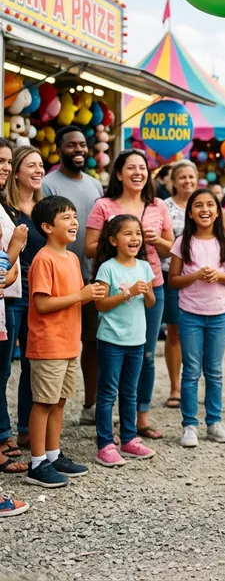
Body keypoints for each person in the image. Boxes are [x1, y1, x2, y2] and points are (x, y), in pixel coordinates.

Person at [85, 150, 174, 440]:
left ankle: (140, 418)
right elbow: (89, 248)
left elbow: (171, 248)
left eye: (142, 168)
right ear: (119, 173)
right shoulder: (104, 205)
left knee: (145, 354)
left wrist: (155, 240)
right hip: (112, 287)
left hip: (151, 285)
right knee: (111, 350)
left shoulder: (158, 205)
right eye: (131, 168)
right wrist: (119, 243)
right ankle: (106, 421)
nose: (138, 173)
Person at [25, 196, 105, 487]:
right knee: (43, 403)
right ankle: (36, 463)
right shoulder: (44, 259)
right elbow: (42, 304)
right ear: (47, 227)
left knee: (59, 402)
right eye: (66, 217)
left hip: (69, 343)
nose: (74, 222)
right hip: (48, 344)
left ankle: (53, 454)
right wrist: (82, 295)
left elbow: (73, 297)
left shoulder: (71, 258)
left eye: (74, 216)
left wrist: (90, 294)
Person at [41, 127, 104, 426]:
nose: (78, 149)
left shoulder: (95, 185)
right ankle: (44, 415)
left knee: (91, 343)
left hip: (90, 278)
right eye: (71, 145)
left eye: (82, 144)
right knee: (56, 350)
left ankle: (90, 407)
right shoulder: (48, 184)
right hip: (58, 282)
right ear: (59, 150)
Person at [170, 189, 225, 447]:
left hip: (219, 315)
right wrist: (195, 276)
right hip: (190, 315)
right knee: (190, 371)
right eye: (198, 205)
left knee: (214, 371)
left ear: (218, 211)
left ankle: (214, 422)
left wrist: (219, 276)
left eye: (210, 205)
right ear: (190, 213)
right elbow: (173, 280)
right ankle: (189, 425)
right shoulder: (183, 242)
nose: (205, 209)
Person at [93, 215, 156, 467]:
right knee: (108, 393)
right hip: (111, 340)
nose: (134, 238)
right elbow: (101, 304)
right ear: (113, 240)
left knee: (130, 392)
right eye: (127, 233)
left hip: (136, 341)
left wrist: (147, 292)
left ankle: (129, 439)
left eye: (137, 233)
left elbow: (150, 303)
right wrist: (128, 292)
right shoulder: (107, 268)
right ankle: (105, 444)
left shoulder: (144, 267)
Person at [4, 147, 47, 450]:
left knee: (33, 364)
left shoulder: (45, 210)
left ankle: (25, 429)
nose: (38, 170)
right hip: (13, 290)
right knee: (4, 366)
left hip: (40, 291)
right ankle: (3, 435)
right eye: (31, 165)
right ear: (17, 172)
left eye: (41, 165)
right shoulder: (5, 210)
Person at [0, 138, 30, 471]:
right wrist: (16, 246)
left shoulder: (5, 204)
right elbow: (1, 267)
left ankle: (4, 433)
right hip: (5, 296)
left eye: (8, 161)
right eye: (1, 161)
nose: (5, 167)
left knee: (4, 370)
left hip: (8, 297)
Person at [161, 160, 198, 409]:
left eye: (191, 177)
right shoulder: (164, 207)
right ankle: (175, 387)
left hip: (201, 277)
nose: (187, 181)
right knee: (174, 331)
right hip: (172, 275)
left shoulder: (203, 203)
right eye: (182, 177)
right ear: (173, 182)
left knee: (197, 332)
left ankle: (192, 384)